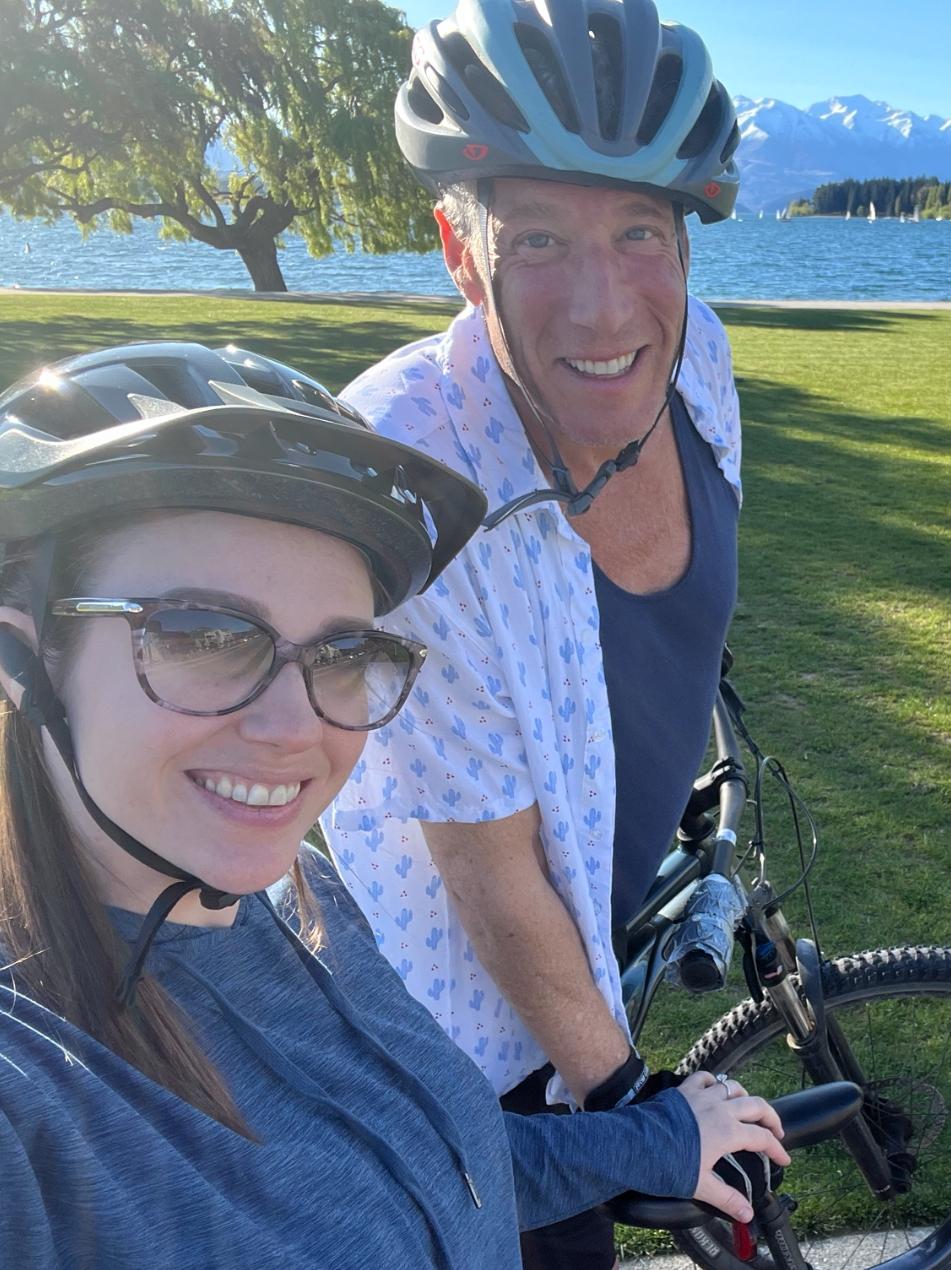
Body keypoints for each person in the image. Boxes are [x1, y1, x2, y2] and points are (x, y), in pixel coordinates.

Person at [0, 343, 787, 1268]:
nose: (296, 727)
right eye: (205, 635)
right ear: (23, 661)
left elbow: (435, 1153)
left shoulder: (306, 907)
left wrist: (651, 1140)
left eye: (340, 653)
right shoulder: (31, 1088)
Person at [321, 0, 744, 1263]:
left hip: (585, 945)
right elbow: (491, 880)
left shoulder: (702, 361)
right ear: (461, 248)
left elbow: (674, 609)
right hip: (448, 1056)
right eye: (542, 237)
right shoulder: (417, 473)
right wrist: (631, 1113)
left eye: (640, 232)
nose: (606, 307)